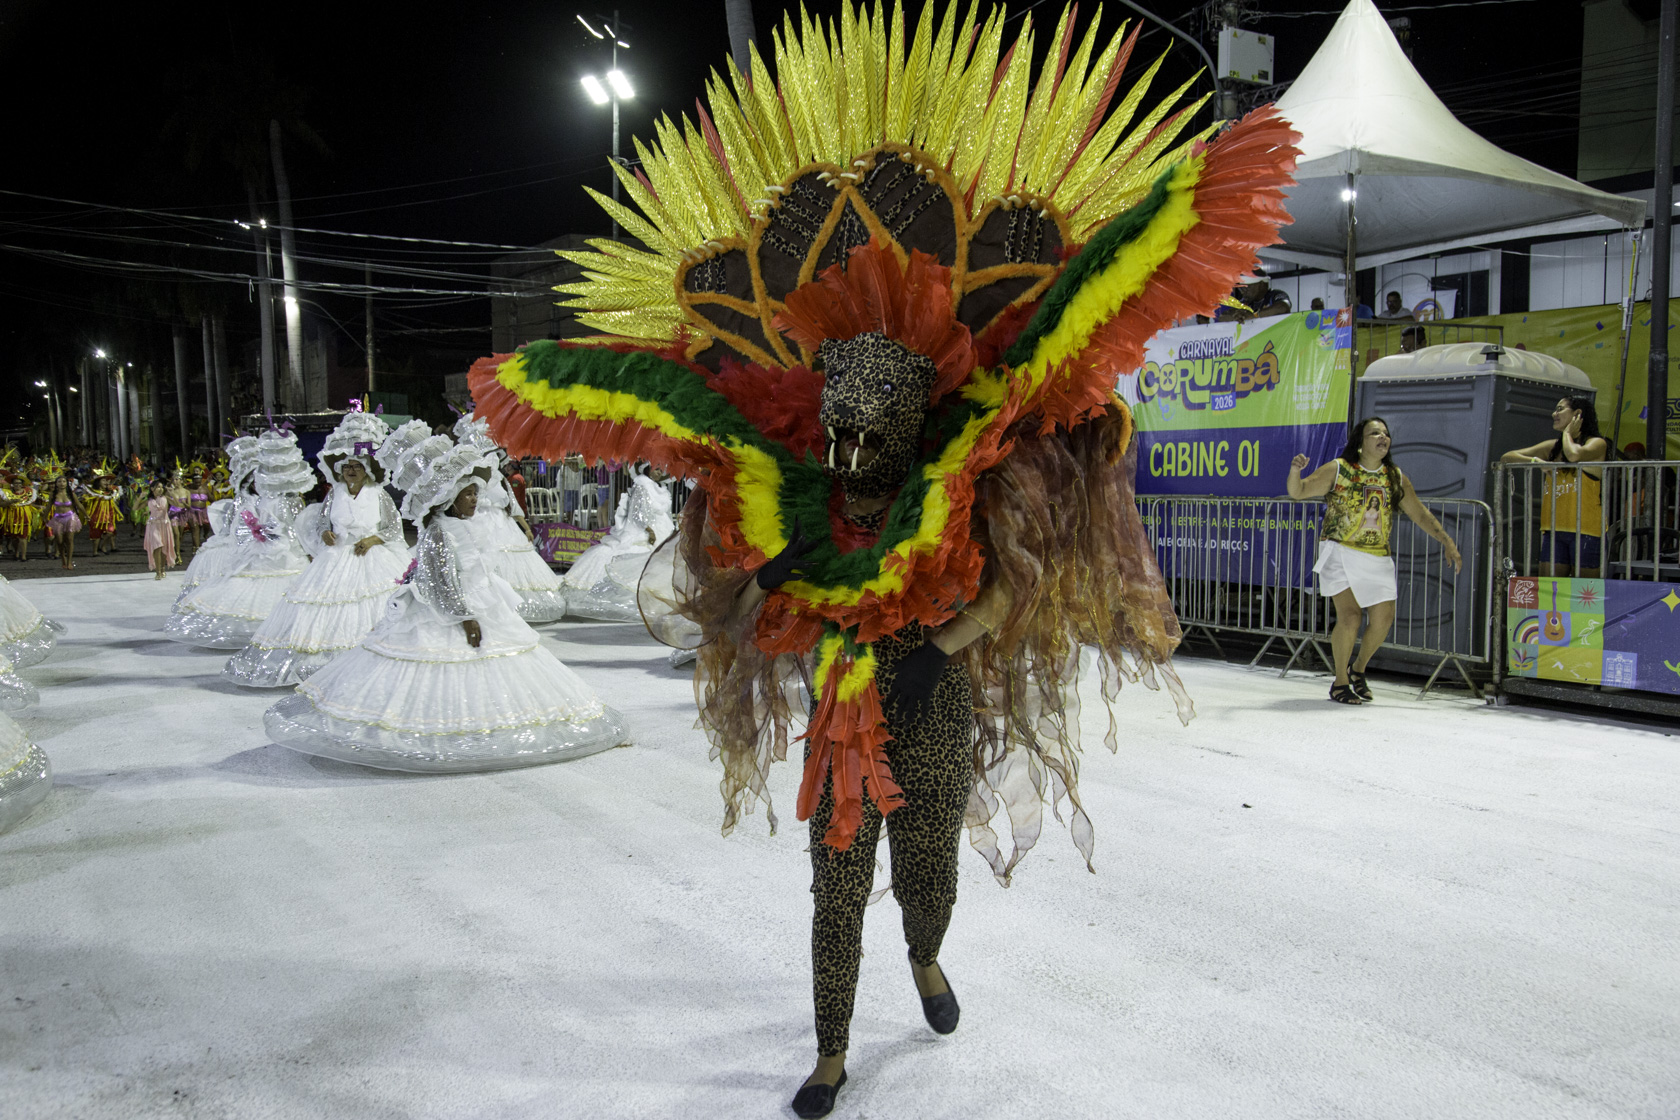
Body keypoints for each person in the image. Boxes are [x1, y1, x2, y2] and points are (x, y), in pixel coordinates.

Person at [263, 440, 629, 771]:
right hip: (446, 614)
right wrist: (464, 618)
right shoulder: (438, 531)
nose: (474, 500)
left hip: (483, 604)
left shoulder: (466, 526)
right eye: (468, 494)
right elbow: (438, 582)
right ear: (450, 498)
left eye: (475, 493)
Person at [1288, 417, 1463, 704]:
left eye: (1385, 433)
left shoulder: (1394, 477)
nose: (1383, 437)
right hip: (1340, 550)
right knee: (1350, 616)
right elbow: (1299, 491)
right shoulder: (1339, 469)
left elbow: (1419, 513)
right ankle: (1340, 682)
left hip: (1377, 555)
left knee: (1383, 620)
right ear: (1360, 442)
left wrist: (1447, 541)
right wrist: (1296, 471)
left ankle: (1358, 669)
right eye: (1375, 433)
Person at [225, 415, 407, 688]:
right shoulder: (335, 493)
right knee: (325, 608)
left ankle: (371, 662)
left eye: (357, 466)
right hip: (337, 556)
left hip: (372, 556)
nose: (351, 471)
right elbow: (322, 521)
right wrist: (325, 533)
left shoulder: (378, 494)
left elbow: (393, 527)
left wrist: (372, 540)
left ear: (366, 470)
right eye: (347, 467)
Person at [166, 430, 312, 648]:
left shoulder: (286, 500)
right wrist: (259, 532)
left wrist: (293, 544)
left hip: (286, 552)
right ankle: (261, 630)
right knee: (248, 584)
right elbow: (240, 526)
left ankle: (284, 629)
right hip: (260, 551)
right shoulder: (252, 501)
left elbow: (294, 527)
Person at [1500, 396, 1607, 576]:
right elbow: (1506, 457)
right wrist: (1535, 461)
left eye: (1560, 409)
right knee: (1550, 587)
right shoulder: (1552, 447)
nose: (1554, 414)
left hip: (1587, 531)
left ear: (1577, 414)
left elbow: (1574, 455)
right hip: (1554, 530)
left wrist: (1567, 433)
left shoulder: (1597, 443)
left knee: (1585, 590)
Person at [43, 477, 85, 570]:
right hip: (58, 518)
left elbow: (79, 505)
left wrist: (86, 515)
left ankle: (69, 562)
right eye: (59, 481)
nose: (61, 483)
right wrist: (45, 516)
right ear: (56, 483)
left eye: (63, 481)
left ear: (66, 483)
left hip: (70, 517)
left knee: (69, 540)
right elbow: (49, 506)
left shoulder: (71, 494)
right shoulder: (53, 494)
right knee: (59, 540)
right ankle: (63, 559)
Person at [142, 481, 176, 579]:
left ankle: (162, 568)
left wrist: (172, 494)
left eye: (161, 487)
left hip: (164, 525)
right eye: (158, 487)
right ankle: (158, 572)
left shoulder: (166, 498)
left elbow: (178, 504)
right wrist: (140, 498)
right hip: (153, 526)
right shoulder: (149, 500)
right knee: (157, 547)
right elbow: (135, 507)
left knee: (164, 548)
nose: (160, 489)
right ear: (152, 489)